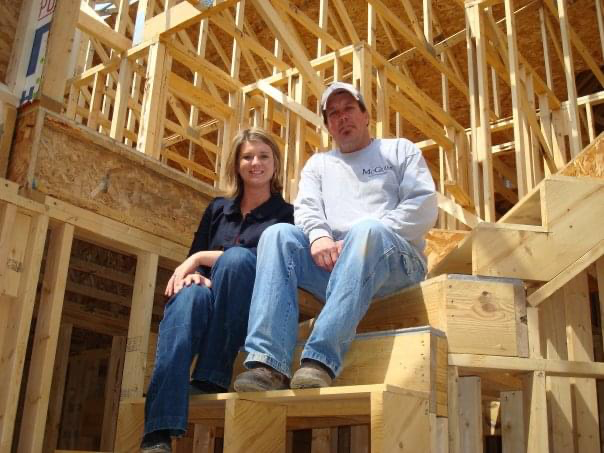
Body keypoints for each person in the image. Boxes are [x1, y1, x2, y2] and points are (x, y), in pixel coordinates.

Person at [233, 82, 438, 391]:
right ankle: (267, 365)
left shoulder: (398, 150)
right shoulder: (320, 165)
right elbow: (307, 208)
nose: (342, 118)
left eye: (349, 109)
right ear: (328, 125)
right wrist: (318, 238)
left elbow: (423, 206)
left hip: (396, 264)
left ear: (366, 115)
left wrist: (359, 240)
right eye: (333, 114)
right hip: (336, 267)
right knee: (277, 235)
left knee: (367, 230)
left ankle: (320, 359)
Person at [141, 128, 294, 452]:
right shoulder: (217, 209)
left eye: (263, 156)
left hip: (253, 304)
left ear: (275, 163)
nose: (256, 163)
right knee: (189, 298)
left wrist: (199, 259)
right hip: (209, 296)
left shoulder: (287, 215)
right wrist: (193, 276)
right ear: (236, 165)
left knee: (237, 261)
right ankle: (158, 432)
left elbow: (264, 262)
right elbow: (192, 262)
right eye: (247, 156)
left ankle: (211, 375)